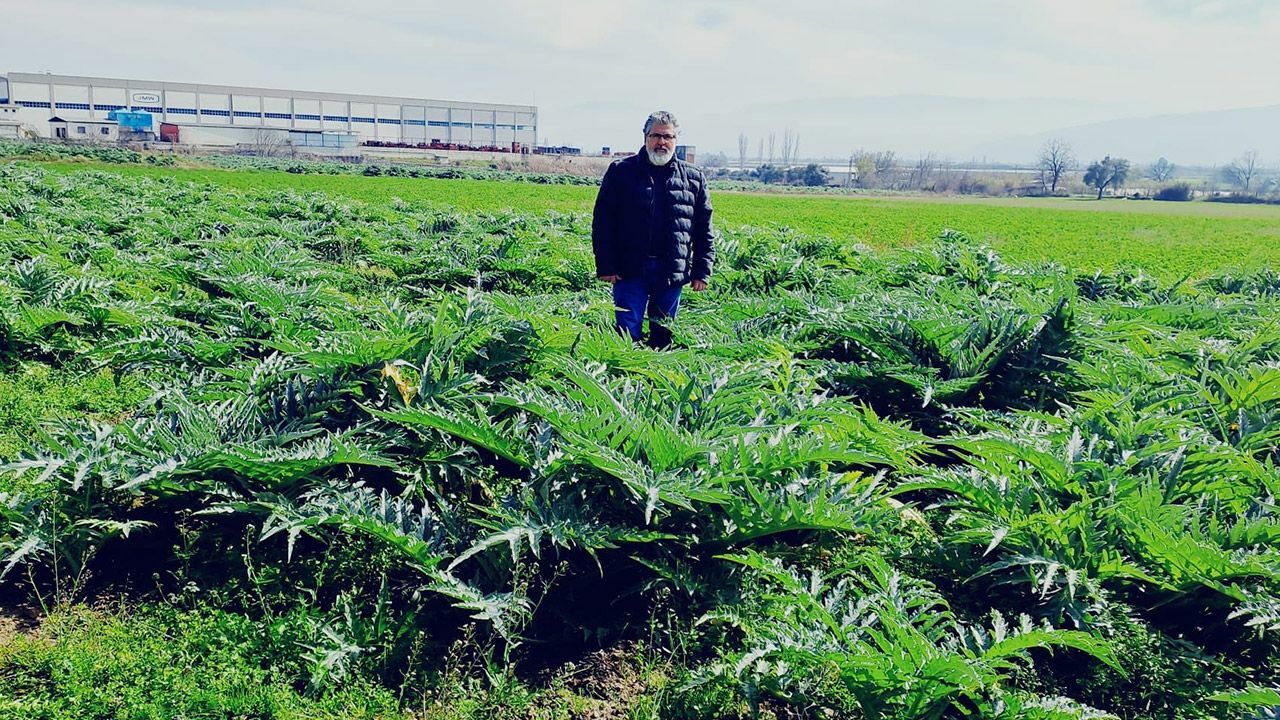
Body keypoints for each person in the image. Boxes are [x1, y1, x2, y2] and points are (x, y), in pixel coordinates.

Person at [591, 110, 714, 348]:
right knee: (627, 334)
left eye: (668, 137)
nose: (662, 142)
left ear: (676, 141)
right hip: (629, 269)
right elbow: (603, 222)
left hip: (671, 269)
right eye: (656, 135)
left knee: (663, 334)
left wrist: (702, 270)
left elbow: (703, 228)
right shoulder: (621, 172)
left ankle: (656, 378)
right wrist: (606, 266)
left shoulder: (694, 178)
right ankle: (626, 379)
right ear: (645, 137)